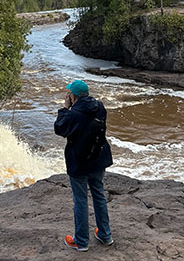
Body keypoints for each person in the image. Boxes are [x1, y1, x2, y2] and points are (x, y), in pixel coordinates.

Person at [54, 79, 114, 252]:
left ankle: (81, 241)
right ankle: (105, 235)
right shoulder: (100, 106)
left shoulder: (73, 114)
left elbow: (59, 129)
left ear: (74, 96)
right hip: (98, 157)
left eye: (69, 93)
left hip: (79, 161)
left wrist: (65, 108)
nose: (68, 95)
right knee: (99, 195)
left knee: (80, 200)